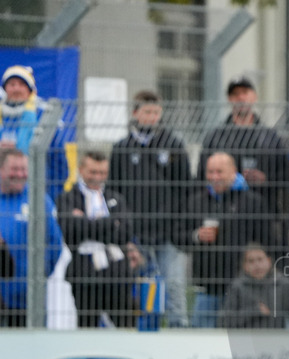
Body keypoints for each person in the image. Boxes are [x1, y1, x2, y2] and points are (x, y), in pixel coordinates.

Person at [109, 90, 192, 327]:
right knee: (138, 284)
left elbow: (185, 187)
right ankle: (141, 329)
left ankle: (179, 332)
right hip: (135, 234)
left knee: (174, 285)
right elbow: (114, 191)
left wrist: (179, 225)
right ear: (135, 113)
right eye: (147, 112)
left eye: (156, 112)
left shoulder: (173, 145)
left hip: (168, 233)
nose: (152, 117)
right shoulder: (121, 148)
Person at [200, 76, 289, 247]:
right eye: (235, 94)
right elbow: (202, 176)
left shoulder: (269, 137)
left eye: (245, 92)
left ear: (254, 96)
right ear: (229, 99)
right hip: (226, 217)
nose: (240, 98)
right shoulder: (216, 137)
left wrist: (266, 180)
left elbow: (286, 174)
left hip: (263, 215)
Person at [183, 152, 270, 327]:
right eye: (210, 172)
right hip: (207, 288)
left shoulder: (253, 202)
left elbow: (268, 241)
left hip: (244, 289)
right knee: (202, 345)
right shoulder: (196, 201)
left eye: (219, 172)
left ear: (233, 172)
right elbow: (178, 235)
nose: (214, 177)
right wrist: (197, 236)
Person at [57, 151, 136, 328]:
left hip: (116, 273)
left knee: (125, 325)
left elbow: (125, 233)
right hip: (84, 273)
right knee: (86, 326)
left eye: (102, 173)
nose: (97, 177)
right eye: (93, 172)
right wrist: (110, 223)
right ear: (81, 170)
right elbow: (70, 232)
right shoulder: (68, 198)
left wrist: (87, 222)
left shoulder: (116, 198)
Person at [0, 148, 63, 327]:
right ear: (1, 170)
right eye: (14, 169)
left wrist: (37, 275)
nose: (20, 174)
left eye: (23, 169)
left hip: (29, 301)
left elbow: (54, 244)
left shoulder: (39, 200)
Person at [0, 65, 75, 201]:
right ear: (5, 89)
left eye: (22, 84)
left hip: (36, 196)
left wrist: (47, 197)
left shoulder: (44, 119)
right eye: (12, 84)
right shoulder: (2, 119)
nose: (16, 89)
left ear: (30, 91)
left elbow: (59, 165)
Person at [219, 243, 289, 329]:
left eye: (260, 259)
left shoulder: (284, 284)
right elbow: (223, 322)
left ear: (269, 261)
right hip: (245, 339)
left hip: (276, 339)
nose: (257, 265)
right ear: (244, 266)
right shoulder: (237, 286)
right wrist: (254, 311)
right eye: (251, 261)